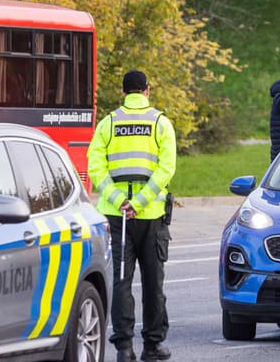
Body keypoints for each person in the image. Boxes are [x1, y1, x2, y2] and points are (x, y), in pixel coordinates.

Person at [87, 70, 176, 362]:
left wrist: (121, 201)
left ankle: (124, 349)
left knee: (121, 282)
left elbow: (96, 169)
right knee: (153, 283)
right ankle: (153, 345)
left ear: (123, 93)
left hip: (116, 217)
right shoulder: (160, 123)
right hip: (151, 217)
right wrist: (139, 202)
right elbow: (166, 169)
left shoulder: (108, 124)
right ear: (147, 91)